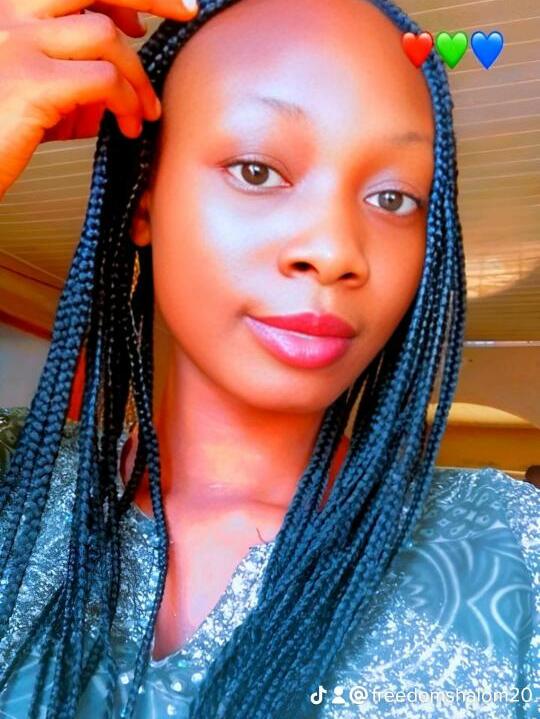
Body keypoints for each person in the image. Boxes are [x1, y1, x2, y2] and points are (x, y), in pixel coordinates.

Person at [0, 0, 537, 717]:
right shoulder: (14, 476)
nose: (335, 250)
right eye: (256, 170)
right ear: (145, 198)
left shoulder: (515, 550)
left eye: (394, 197)